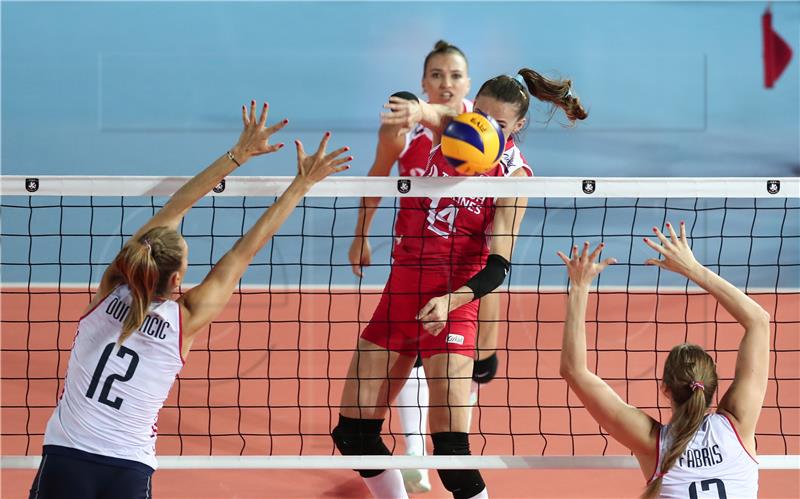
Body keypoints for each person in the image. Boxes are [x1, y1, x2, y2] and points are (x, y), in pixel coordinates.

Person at [28, 101, 351, 499]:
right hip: (127, 469)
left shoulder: (111, 285)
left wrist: (237, 154)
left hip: (66, 457)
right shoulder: (185, 319)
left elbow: (175, 208)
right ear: (178, 278)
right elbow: (244, 252)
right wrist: (301, 185)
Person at [334, 70, 587, 499]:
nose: (483, 132)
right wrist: (414, 109)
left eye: (500, 126)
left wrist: (451, 300)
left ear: (518, 127)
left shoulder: (515, 177)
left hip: (454, 303)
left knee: (451, 453)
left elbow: (498, 267)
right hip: (401, 292)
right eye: (481, 118)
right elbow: (424, 109)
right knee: (354, 436)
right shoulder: (455, 130)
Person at [557, 223, 769, 498]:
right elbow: (759, 322)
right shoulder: (737, 425)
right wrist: (692, 267)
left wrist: (579, 285)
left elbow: (573, 370)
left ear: (665, 388)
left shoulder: (651, 442)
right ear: (712, 384)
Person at [348, 39, 472, 494]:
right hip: (410, 263)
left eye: (454, 75)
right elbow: (379, 173)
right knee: (405, 360)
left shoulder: (475, 126)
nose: (445, 83)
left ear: (468, 83)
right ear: (423, 83)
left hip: (461, 270)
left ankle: (424, 446)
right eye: (437, 75)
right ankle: (415, 450)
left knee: (452, 372)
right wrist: (361, 233)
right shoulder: (402, 131)